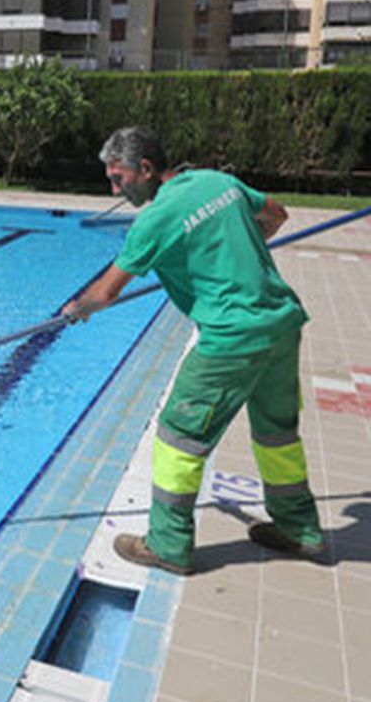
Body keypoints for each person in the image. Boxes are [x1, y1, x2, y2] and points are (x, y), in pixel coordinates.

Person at [62, 126, 323, 575]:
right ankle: (299, 530)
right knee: (277, 433)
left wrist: (75, 309)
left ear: (145, 169)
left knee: (178, 437)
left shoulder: (154, 220)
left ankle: (168, 544)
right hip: (280, 323)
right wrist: (237, 248)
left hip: (231, 339)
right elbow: (278, 213)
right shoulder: (217, 182)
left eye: (119, 178)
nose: (115, 188)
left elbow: (104, 294)